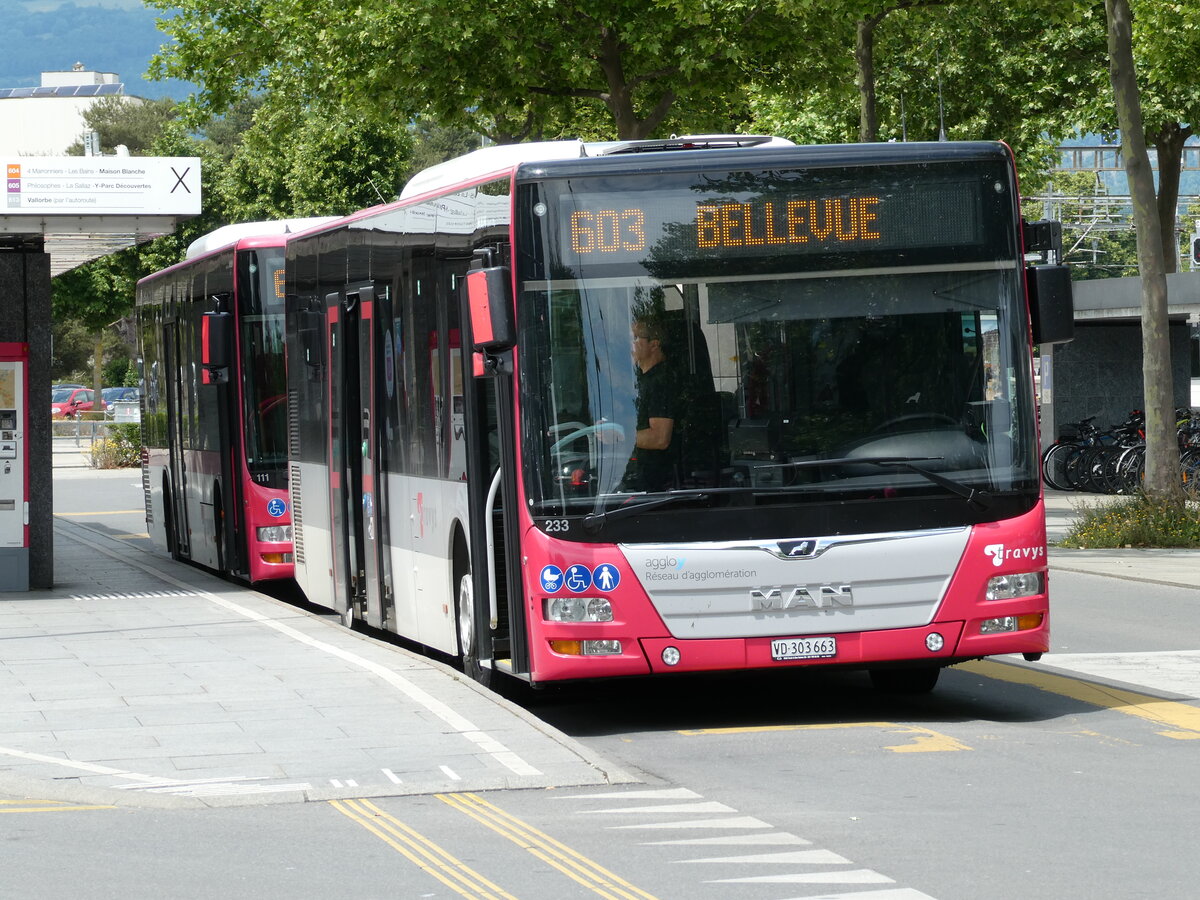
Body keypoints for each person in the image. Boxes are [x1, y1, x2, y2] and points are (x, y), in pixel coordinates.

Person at [622, 316, 678, 491]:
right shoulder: (644, 379)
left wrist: (618, 436)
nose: (629, 345)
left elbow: (660, 438)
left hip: (657, 486)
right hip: (642, 475)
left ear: (654, 345)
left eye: (635, 338)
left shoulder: (661, 381)